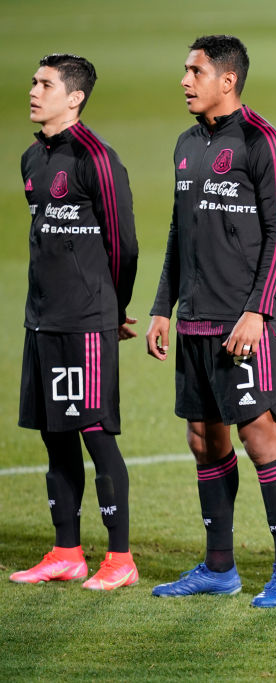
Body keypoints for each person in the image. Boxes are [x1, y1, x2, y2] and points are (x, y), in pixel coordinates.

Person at [145, 35, 276, 608]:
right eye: (185, 70)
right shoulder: (187, 144)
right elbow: (177, 232)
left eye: (196, 71)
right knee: (202, 437)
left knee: (258, 435)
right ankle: (219, 567)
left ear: (228, 80)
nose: (185, 80)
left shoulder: (263, 143)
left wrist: (258, 310)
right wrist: (164, 306)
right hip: (195, 318)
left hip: (244, 320)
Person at [10, 53, 140, 591]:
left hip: (87, 322)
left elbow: (124, 244)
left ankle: (120, 558)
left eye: (46, 84)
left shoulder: (97, 159)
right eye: (34, 81)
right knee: (53, 434)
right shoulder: (31, 159)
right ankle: (67, 550)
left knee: (94, 432)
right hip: (41, 320)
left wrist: (112, 309)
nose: (34, 91)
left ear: (75, 97)